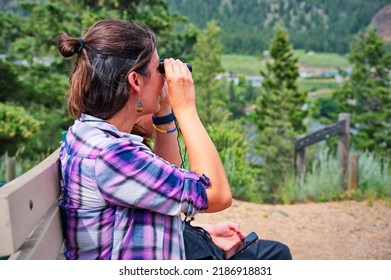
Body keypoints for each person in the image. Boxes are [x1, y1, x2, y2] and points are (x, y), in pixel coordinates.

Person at [57, 18, 292, 260]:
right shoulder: (111, 155)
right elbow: (217, 195)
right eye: (159, 67)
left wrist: (165, 108)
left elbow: (168, 176)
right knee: (273, 257)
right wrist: (187, 110)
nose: (164, 77)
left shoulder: (92, 136)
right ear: (135, 81)